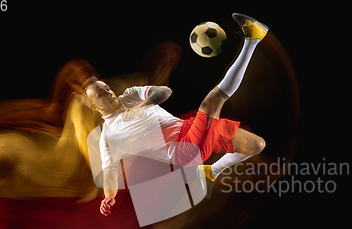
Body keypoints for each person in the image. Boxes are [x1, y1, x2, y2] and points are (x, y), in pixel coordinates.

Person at [84, 14, 268, 218]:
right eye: (101, 94)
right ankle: (253, 39)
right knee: (211, 102)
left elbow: (164, 92)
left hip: (188, 128)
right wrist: (109, 196)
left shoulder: (130, 96)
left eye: (106, 88)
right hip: (184, 149)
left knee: (257, 145)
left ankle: (211, 172)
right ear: (94, 105)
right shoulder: (107, 137)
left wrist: (142, 104)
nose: (108, 92)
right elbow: (109, 171)